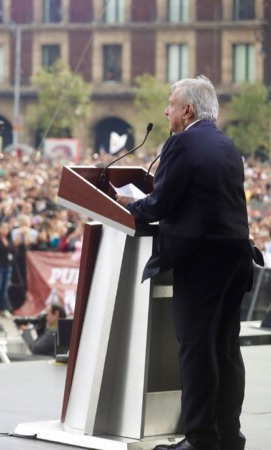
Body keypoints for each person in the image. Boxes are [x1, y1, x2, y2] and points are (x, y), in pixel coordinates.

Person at [116, 76, 256, 450]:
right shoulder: (226, 144)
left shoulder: (181, 142)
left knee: (195, 346)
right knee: (225, 347)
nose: (166, 110)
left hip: (202, 259)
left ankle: (199, 439)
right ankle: (228, 435)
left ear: (187, 110)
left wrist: (131, 205)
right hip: (235, 255)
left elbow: (162, 204)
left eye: (170, 103)